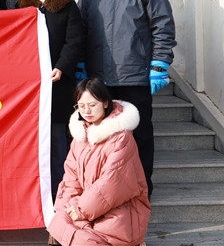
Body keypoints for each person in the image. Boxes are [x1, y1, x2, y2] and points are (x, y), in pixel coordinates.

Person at [79, 0, 176, 196]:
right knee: (102, 136)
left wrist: (159, 64)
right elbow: (83, 29)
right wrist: (81, 65)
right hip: (100, 79)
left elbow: (163, 27)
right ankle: (106, 192)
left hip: (135, 76)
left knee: (139, 135)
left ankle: (141, 190)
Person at [5, 0, 83, 200]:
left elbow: (74, 41)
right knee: (31, 138)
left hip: (58, 83)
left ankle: (60, 192)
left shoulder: (68, 6)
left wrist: (62, 67)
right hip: (29, 86)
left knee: (57, 139)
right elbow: (10, 40)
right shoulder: (22, 6)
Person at [48, 78, 150, 246]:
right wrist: (65, 208)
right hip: (88, 206)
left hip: (120, 210)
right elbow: (71, 179)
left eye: (92, 105)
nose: (86, 111)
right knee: (58, 225)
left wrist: (81, 210)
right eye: (81, 106)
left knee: (84, 239)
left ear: (105, 103)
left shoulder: (122, 138)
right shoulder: (80, 136)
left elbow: (111, 184)